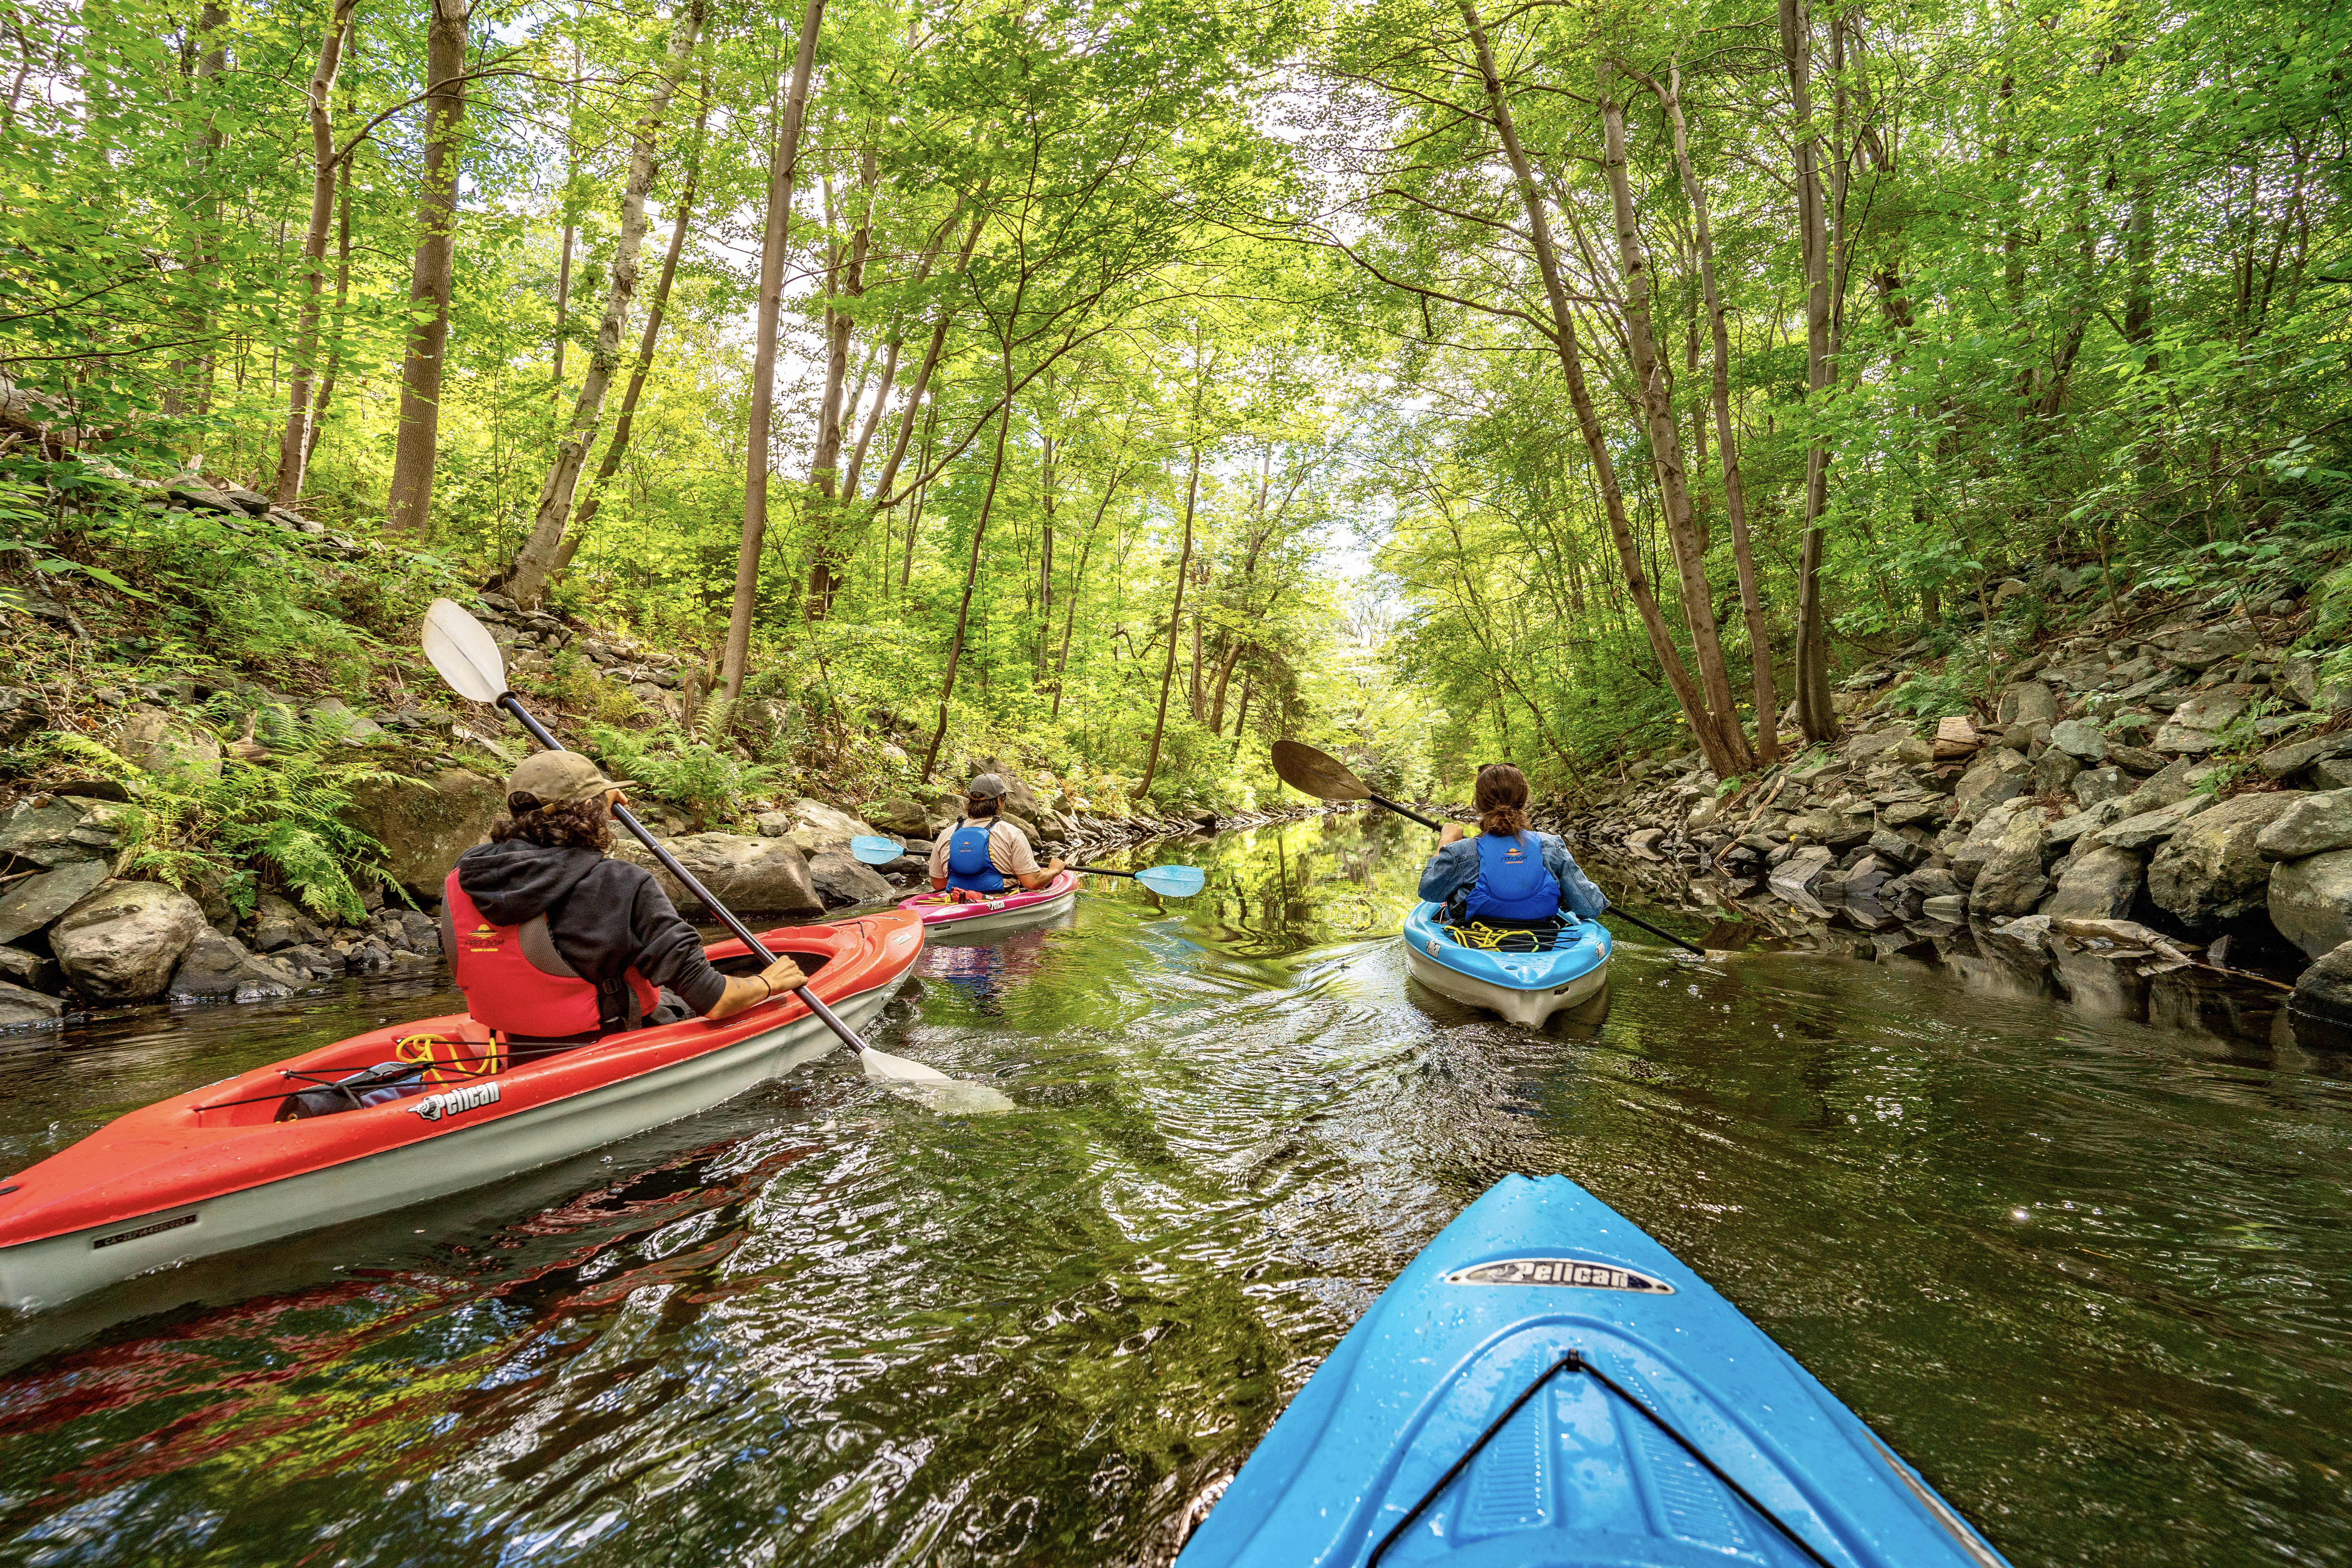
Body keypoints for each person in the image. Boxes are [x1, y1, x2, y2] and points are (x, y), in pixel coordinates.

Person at [442, 751, 808, 1057]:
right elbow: (716, 1001)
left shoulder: (468, 875)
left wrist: (595, 803)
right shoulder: (620, 883)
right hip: (609, 1045)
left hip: (518, 1046)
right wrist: (768, 982)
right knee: (691, 997)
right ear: (591, 808)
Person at [1418, 762, 1606, 929]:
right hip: (1542, 940)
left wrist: (1445, 842)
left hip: (1475, 939)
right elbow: (1590, 908)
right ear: (1523, 803)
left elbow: (1430, 892)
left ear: (1479, 806)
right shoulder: (1552, 845)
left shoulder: (1460, 851)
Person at [929, 773, 1067, 895]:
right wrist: (1054, 870)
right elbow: (1033, 882)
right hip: (1000, 900)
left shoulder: (947, 834)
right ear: (1000, 800)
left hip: (957, 899)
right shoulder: (1012, 834)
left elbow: (939, 885)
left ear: (970, 800)